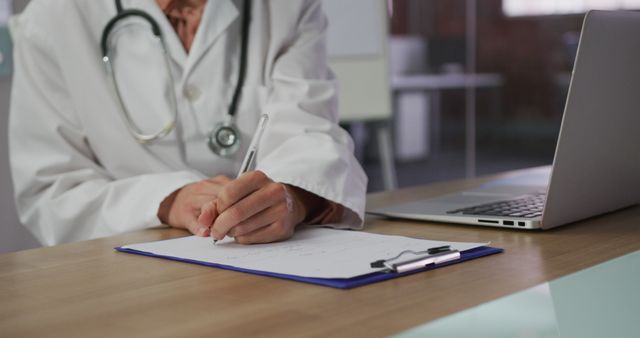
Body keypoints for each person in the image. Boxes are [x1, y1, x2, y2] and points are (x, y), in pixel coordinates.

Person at [9, 0, 367, 246]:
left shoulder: (287, 7)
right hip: (130, 278)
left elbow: (309, 133)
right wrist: (165, 201)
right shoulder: (53, 17)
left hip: (269, 262)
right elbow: (51, 188)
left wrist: (292, 197)